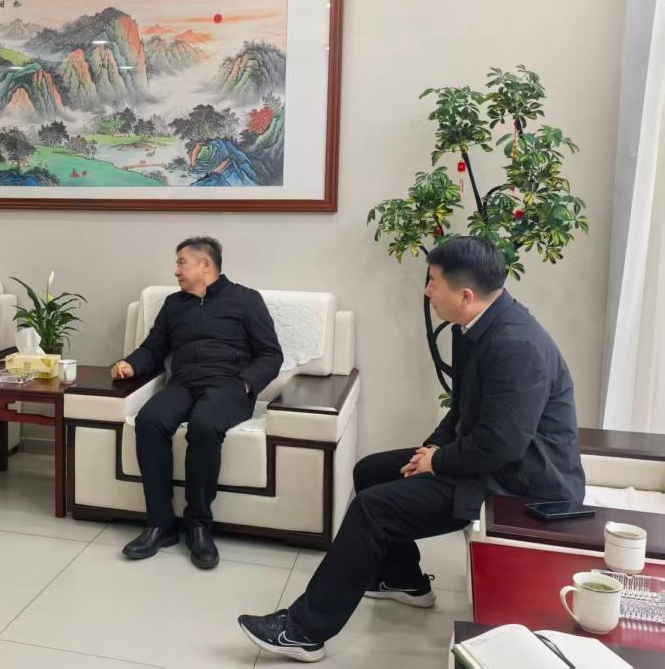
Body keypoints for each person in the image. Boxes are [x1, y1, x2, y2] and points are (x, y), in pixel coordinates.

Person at [238, 236, 585, 662]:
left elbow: (502, 445)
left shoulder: (516, 346)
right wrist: (431, 449)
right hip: (490, 461)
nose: (427, 291)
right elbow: (461, 411)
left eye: (433, 282)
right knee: (371, 470)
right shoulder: (476, 327)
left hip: (522, 485)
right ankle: (403, 579)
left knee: (372, 509)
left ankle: (304, 630)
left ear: (465, 295)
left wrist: (438, 461)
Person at [112, 236, 283, 569]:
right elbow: (153, 348)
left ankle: (198, 525)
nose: (176, 271)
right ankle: (161, 525)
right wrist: (129, 364)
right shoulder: (174, 305)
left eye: (181, 263)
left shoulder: (246, 300)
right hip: (184, 384)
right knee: (149, 421)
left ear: (206, 265)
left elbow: (270, 354)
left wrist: (245, 383)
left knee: (204, 425)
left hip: (228, 386)